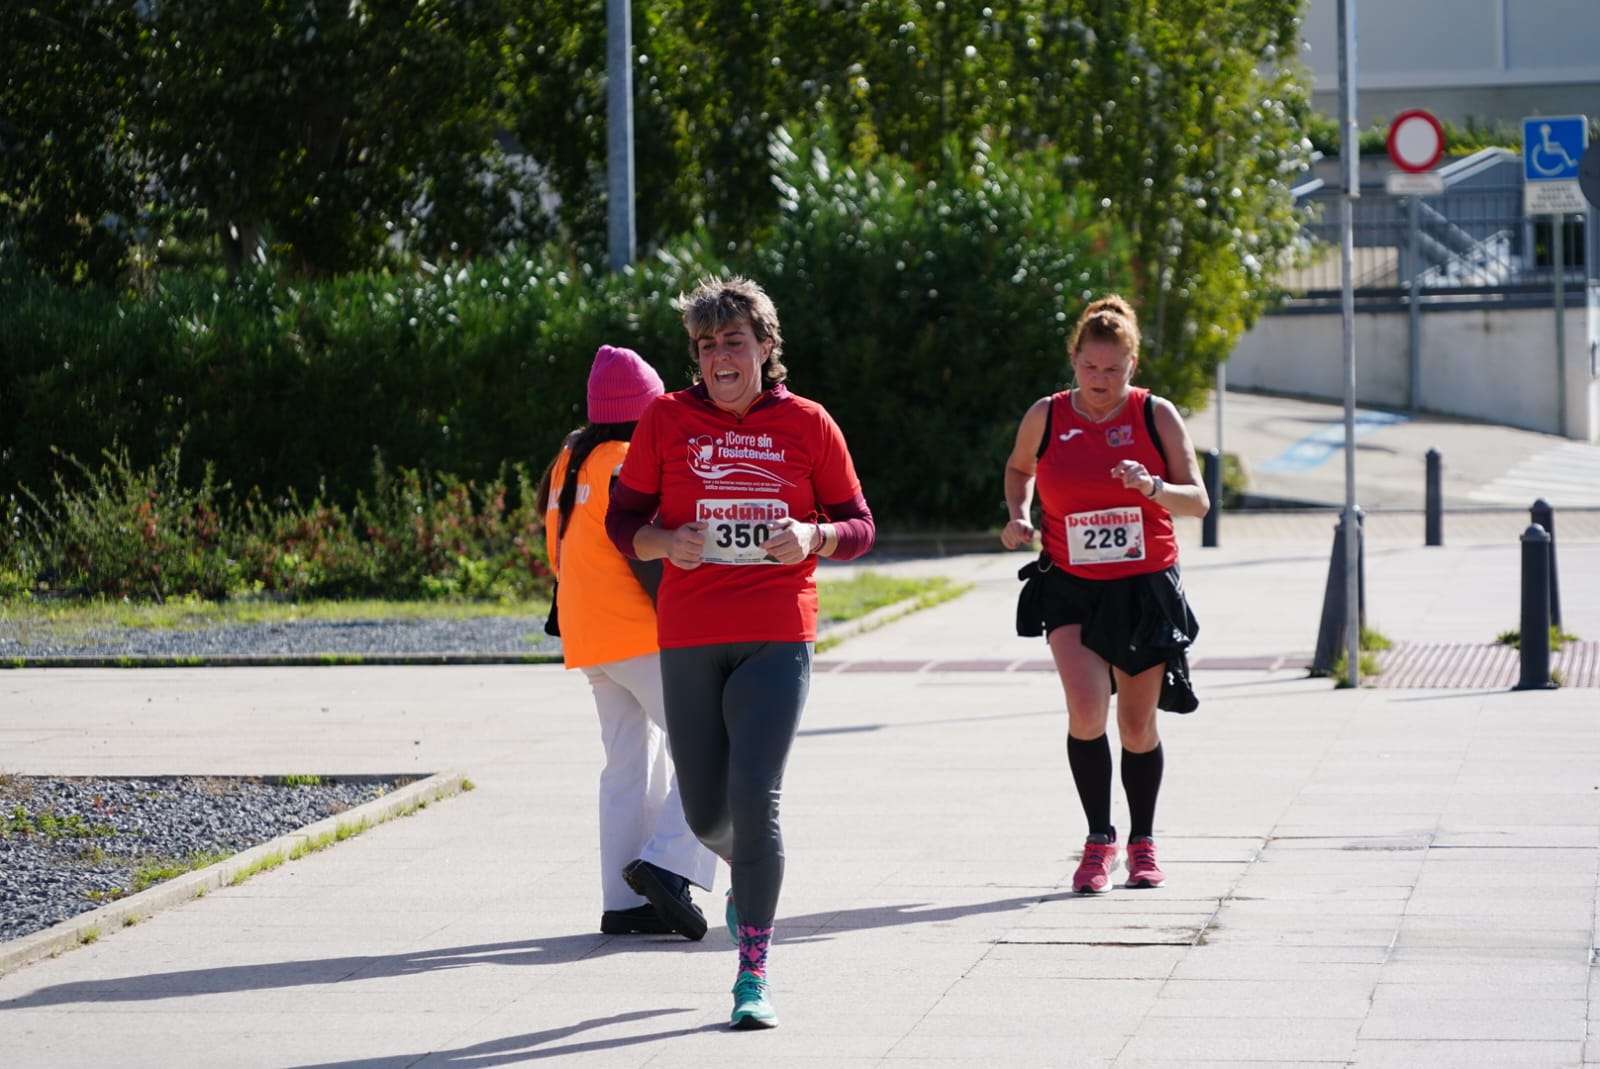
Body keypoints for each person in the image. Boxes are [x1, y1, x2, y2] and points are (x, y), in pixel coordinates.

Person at [606, 275, 875, 1030]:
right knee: (703, 813)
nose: (720, 355)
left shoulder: (809, 423)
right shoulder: (665, 419)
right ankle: (744, 871)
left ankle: (752, 965)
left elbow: (859, 522)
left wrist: (814, 535)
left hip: (776, 630)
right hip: (689, 632)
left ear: (765, 346)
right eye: (706, 343)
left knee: (757, 799)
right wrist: (667, 541)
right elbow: (623, 520)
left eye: (733, 340)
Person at [1000, 294, 1207, 896]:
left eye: (1112, 370)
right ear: (1074, 361)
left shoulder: (1154, 415)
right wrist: (1018, 515)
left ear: (1132, 366)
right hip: (1070, 584)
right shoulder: (1047, 414)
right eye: (1090, 368)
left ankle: (1143, 842)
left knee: (1137, 725)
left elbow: (1198, 500)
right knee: (1087, 710)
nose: (1100, 381)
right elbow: (1019, 470)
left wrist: (1153, 487)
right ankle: (1099, 840)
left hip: (1143, 588)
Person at [540, 344, 718, 940]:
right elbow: (652, 549)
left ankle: (624, 903)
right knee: (714, 744)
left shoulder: (571, 457)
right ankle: (667, 866)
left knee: (626, 769)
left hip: (589, 637)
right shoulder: (626, 459)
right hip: (640, 631)